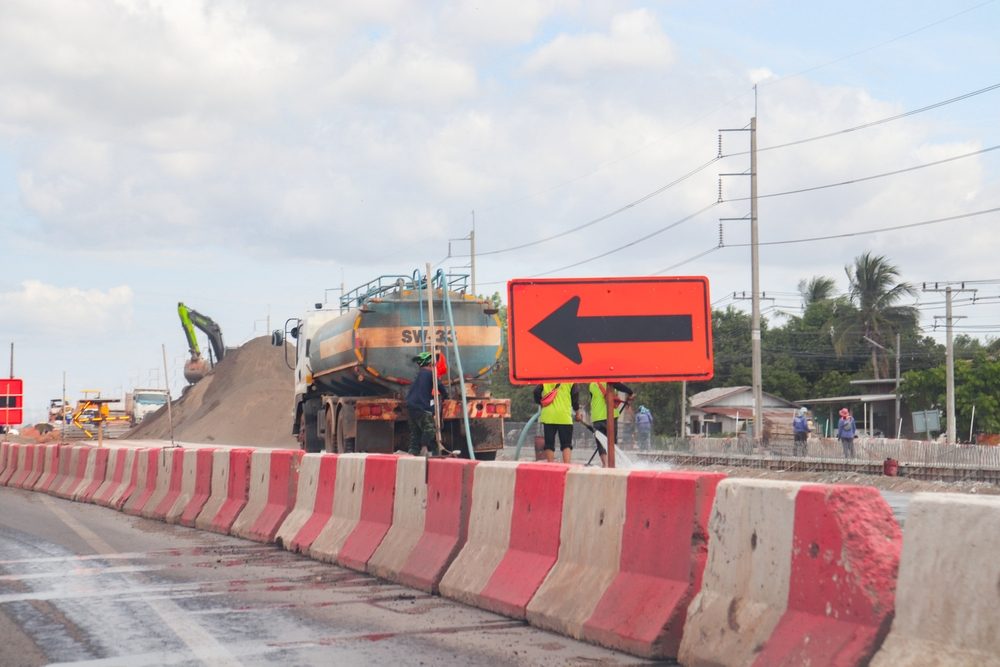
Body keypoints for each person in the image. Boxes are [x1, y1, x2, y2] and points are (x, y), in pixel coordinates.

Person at [406, 351, 447, 456]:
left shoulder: (420, 375)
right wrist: (446, 396)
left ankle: (413, 452)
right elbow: (439, 386)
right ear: (430, 364)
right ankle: (424, 448)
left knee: (415, 432)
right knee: (430, 428)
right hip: (421, 406)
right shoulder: (430, 374)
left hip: (411, 405)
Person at [533, 383, 582, 463]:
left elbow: (536, 391)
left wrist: (541, 402)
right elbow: (575, 398)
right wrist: (577, 412)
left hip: (548, 415)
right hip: (564, 416)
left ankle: (550, 466)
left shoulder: (546, 377)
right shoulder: (571, 380)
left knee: (549, 444)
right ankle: (566, 466)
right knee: (566, 444)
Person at [588, 381, 634, 466]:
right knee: (612, 442)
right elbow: (620, 386)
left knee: (600, 442)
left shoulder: (592, 384)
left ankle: (605, 464)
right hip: (611, 416)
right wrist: (630, 392)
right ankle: (611, 463)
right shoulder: (611, 382)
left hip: (597, 417)